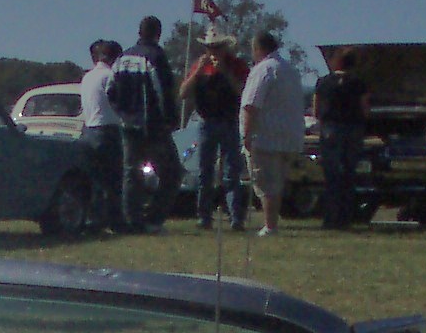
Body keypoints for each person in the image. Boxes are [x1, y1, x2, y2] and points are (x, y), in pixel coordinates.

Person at [110, 15, 181, 232]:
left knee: (131, 172)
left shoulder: (123, 57)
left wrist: (122, 113)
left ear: (139, 32)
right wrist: (170, 119)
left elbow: (111, 91)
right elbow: (163, 91)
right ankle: (153, 218)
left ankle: (132, 220)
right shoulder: (155, 56)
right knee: (172, 172)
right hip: (152, 125)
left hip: (128, 124)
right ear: (158, 33)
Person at [239, 32, 308, 237]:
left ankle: (270, 226)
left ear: (258, 49)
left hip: (265, 135)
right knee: (277, 182)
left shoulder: (263, 70)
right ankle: (272, 223)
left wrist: (247, 135)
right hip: (288, 135)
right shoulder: (290, 71)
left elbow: (251, 105)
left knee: (265, 182)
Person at [180, 39, 245, 229]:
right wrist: (198, 71)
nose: (213, 51)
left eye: (217, 47)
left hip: (229, 122)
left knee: (231, 172)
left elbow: (242, 91)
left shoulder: (236, 65)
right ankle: (204, 216)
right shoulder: (200, 66)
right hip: (206, 122)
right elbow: (183, 93)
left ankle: (235, 217)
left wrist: (225, 71)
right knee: (204, 172)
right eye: (210, 47)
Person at [311, 51, 369, 229]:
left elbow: (315, 109)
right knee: (349, 174)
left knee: (331, 175)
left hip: (331, 129)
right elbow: (365, 109)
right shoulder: (359, 83)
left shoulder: (323, 82)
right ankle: (347, 217)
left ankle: (330, 218)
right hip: (352, 130)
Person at [76, 40, 125, 235]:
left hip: (88, 130)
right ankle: (114, 221)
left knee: (94, 178)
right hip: (107, 130)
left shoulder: (87, 77)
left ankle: (91, 219)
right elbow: (116, 100)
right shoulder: (110, 76)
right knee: (113, 180)